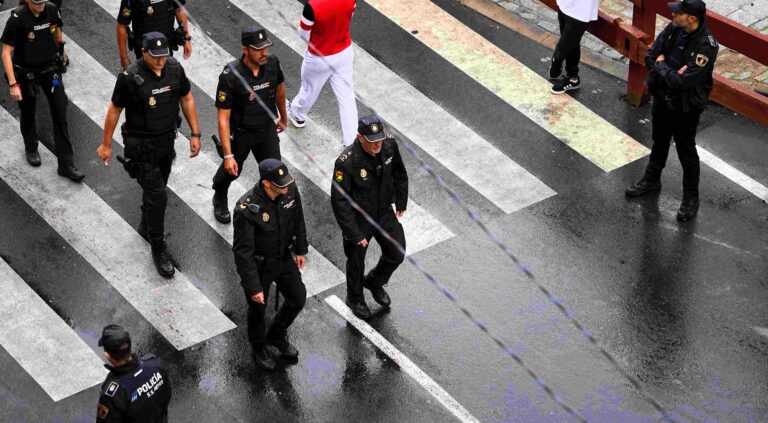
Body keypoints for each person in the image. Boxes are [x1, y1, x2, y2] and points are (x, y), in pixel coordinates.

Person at [97, 32, 202, 277]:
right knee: (158, 196)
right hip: (141, 145)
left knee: (158, 189)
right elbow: (114, 110)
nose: (160, 61)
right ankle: (158, 246)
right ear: (143, 52)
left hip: (166, 142)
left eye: (163, 55)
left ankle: (147, 224)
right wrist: (106, 144)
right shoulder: (130, 78)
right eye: (155, 56)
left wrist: (195, 134)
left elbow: (186, 98)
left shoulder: (175, 69)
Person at [625, 0, 717, 221]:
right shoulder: (673, 28)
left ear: (692, 18)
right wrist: (664, 68)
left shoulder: (707, 46)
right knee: (659, 141)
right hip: (662, 98)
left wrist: (661, 65)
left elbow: (682, 82)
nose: (674, 15)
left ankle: (691, 198)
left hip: (686, 107)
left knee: (686, 152)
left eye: (679, 13)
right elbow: (650, 55)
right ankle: (651, 180)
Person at [233, 159, 308, 371]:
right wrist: (253, 286)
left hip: (283, 258)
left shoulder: (289, 189)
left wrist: (301, 248)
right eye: (280, 185)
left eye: (286, 183)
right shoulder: (247, 209)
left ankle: (276, 334)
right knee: (258, 309)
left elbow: (298, 219)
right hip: (260, 266)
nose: (285, 188)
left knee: (297, 298)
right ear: (266, 183)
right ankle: (258, 348)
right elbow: (242, 252)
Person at [331, 115, 407, 320]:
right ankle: (355, 298)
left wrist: (401, 202)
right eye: (372, 141)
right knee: (356, 260)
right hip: (359, 219)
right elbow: (340, 202)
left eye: (380, 139)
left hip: (383, 212)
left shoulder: (389, 145)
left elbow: (399, 172)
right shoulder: (346, 163)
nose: (378, 145)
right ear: (360, 137)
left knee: (397, 251)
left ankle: (374, 281)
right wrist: (353, 233)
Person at [211, 25, 288, 224]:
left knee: (276, 173)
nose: (264, 53)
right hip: (241, 134)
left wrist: (284, 117)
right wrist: (228, 155)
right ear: (245, 49)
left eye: (266, 47)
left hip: (266, 129)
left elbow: (279, 90)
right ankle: (219, 194)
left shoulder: (272, 64)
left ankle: (273, 213)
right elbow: (223, 117)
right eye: (258, 48)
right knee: (232, 171)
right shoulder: (230, 76)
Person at [1, 0, 83, 180]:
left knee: (60, 112)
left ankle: (66, 164)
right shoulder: (18, 18)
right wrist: (14, 84)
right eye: (37, 2)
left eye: (43, 2)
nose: (41, 5)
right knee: (28, 110)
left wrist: (62, 49)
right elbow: (6, 52)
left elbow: (55, 29)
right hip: (26, 72)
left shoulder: (52, 10)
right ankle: (31, 147)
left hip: (50, 71)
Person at [287, 0, 358, 147]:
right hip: (344, 51)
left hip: (319, 57)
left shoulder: (312, 6)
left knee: (309, 89)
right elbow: (349, 16)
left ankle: (298, 115)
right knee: (347, 98)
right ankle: (351, 142)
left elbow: (303, 33)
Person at [96, 324, 172, 423]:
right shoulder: (155, 364)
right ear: (130, 347)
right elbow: (166, 396)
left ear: (108, 356)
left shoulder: (114, 394)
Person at [116, 0, 191, 69]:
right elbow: (122, 25)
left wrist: (186, 39)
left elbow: (179, 9)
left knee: (166, 77)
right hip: (146, 50)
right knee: (148, 79)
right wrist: (124, 58)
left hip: (167, 45)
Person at [548, 0, 599, 95]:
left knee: (564, 46)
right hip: (564, 4)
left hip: (582, 10)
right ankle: (572, 77)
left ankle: (557, 62)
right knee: (572, 43)